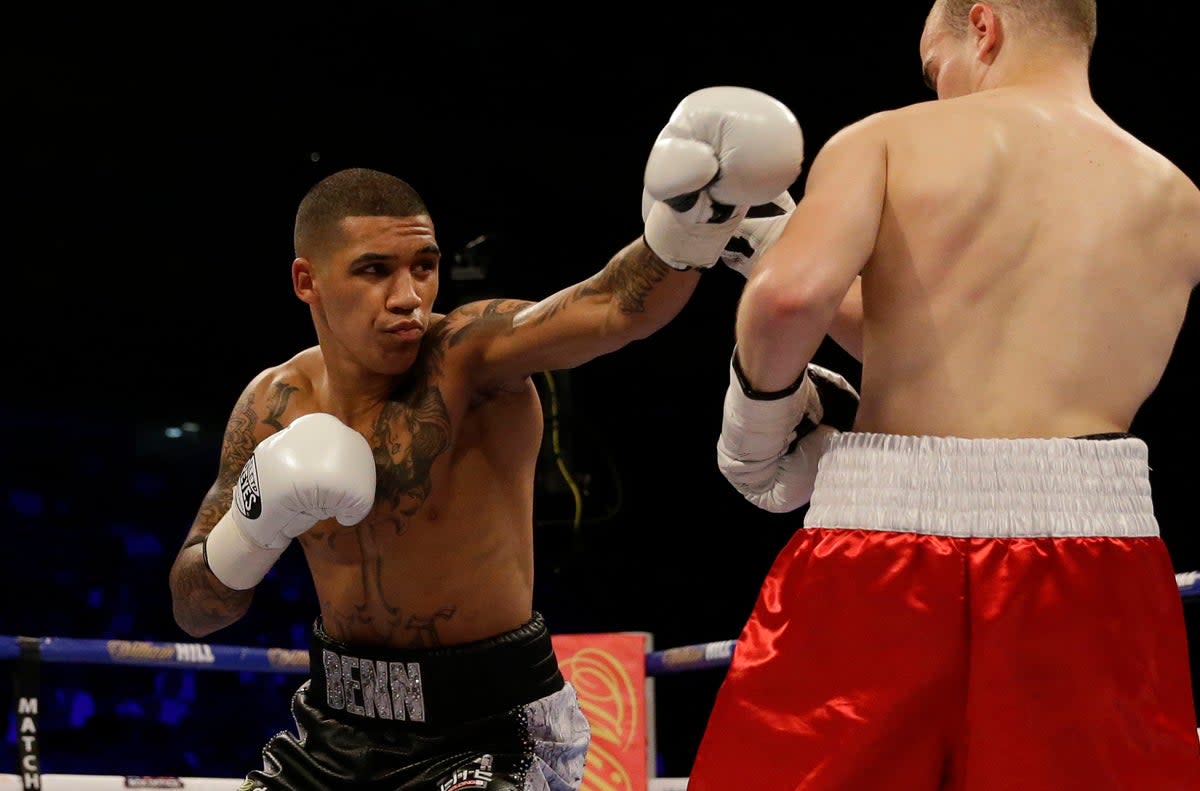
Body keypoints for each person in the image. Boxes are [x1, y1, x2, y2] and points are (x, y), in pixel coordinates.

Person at [166, 86, 805, 791]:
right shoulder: (270, 405)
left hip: (494, 728)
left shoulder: (467, 359)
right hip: (335, 727)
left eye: (424, 265)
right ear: (306, 280)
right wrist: (249, 532)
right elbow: (194, 608)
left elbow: (604, 308)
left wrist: (685, 234)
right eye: (375, 270)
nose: (409, 295)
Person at [691, 2, 1200, 790]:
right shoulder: (1177, 196)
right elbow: (972, 341)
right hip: (1101, 558)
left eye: (937, 71)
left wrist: (753, 429)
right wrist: (768, 249)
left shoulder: (891, 139)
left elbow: (789, 303)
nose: (938, 94)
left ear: (983, 27)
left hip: (886, 546)